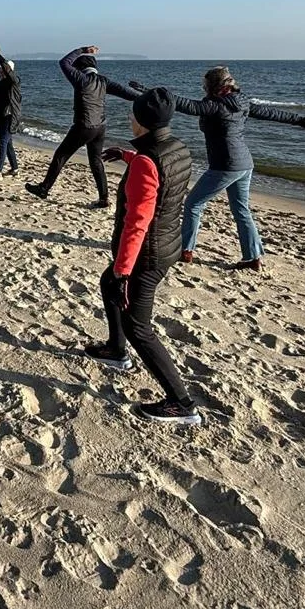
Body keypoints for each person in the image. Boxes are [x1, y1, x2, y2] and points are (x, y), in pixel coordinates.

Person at [84, 87, 201, 425]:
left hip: (146, 254)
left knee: (139, 326)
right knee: (107, 284)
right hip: (168, 244)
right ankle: (116, 351)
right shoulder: (177, 148)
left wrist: (124, 271)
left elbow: (138, 221)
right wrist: (128, 156)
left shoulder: (148, 162)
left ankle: (182, 404)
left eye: (132, 115)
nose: (128, 119)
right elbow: (161, 176)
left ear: (141, 122)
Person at [171, 66, 305, 269]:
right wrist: (298, 119)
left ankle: (186, 251)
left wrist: (153, 94)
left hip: (225, 166)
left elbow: (184, 105)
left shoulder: (215, 106)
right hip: (244, 165)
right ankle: (252, 257)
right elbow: (270, 113)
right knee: (241, 210)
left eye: (205, 84)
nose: (203, 87)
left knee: (193, 204)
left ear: (213, 85)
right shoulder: (242, 102)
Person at [25, 46, 139, 206]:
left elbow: (64, 62)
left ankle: (44, 189)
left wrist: (82, 49)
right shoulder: (104, 81)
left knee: (61, 156)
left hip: (83, 126)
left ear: (80, 68)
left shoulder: (81, 79)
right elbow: (127, 94)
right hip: (100, 127)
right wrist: (146, 96)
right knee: (96, 161)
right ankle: (104, 198)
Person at [0, 42, 22, 179]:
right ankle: (15, 169)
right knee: (8, 144)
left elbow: (8, 70)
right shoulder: (1, 83)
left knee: (3, 142)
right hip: (3, 116)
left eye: (2, 70)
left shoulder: (14, 82)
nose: (0, 71)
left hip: (10, 116)